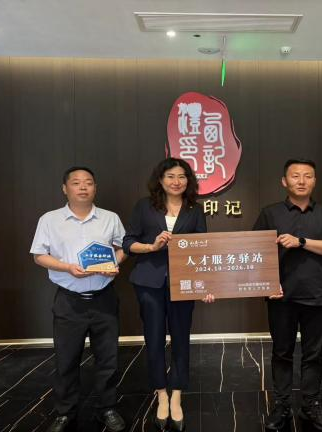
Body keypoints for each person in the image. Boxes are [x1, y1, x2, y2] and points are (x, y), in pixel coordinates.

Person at [30, 166, 126, 432]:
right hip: (69, 301)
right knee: (66, 359)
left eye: (88, 182)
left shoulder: (110, 218)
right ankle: (65, 412)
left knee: (107, 359)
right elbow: (39, 255)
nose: (83, 187)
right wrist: (67, 267)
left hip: (104, 298)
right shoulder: (49, 220)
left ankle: (107, 408)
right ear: (65, 188)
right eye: (76, 182)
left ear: (95, 188)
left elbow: (123, 247)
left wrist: (114, 263)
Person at [122, 157, 212, 431]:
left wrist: (207, 285)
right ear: (160, 180)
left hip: (184, 283)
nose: (176, 181)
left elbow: (203, 248)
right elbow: (128, 242)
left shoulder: (195, 209)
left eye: (182, 176)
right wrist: (151, 246)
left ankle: (177, 396)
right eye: (170, 176)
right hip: (149, 281)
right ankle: (161, 394)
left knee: (181, 338)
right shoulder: (144, 206)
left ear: (189, 181)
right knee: (154, 337)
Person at [254, 159, 322, 431]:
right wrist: (267, 284)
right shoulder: (270, 213)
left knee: (313, 355)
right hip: (281, 297)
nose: (301, 181)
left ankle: (310, 405)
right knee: (282, 353)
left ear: (314, 181)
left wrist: (301, 242)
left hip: (318, 295)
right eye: (295, 176)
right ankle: (281, 406)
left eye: (308, 176)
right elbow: (255, 252)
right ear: (284, 181)